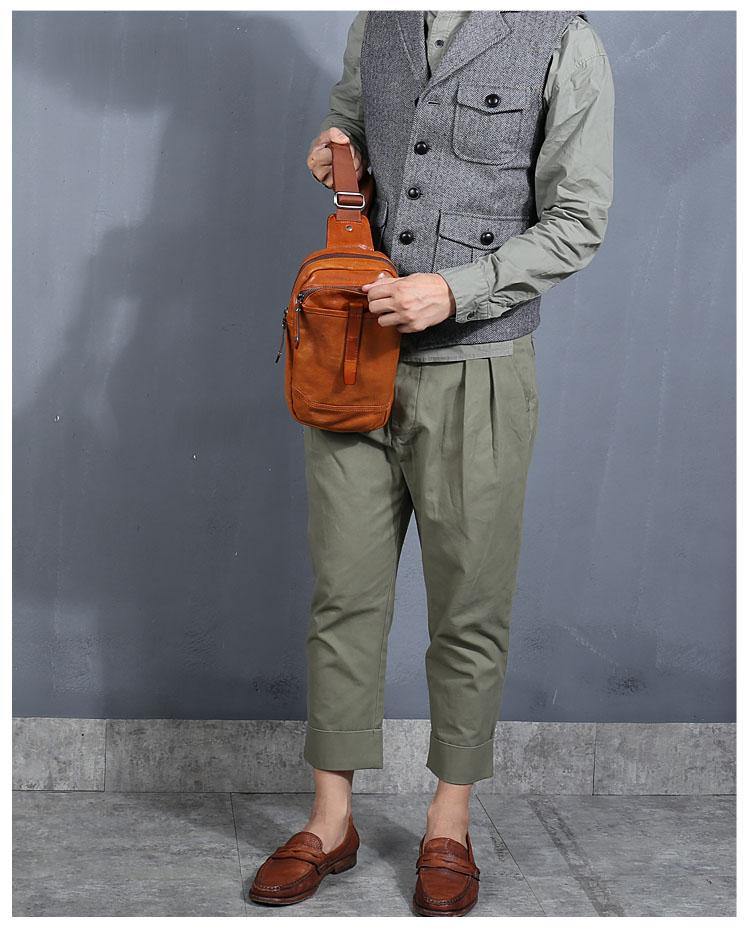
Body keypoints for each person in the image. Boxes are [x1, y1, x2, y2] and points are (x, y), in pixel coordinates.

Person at [250, 9, 614, 916]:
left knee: (469, 607)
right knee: (344, 596)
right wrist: (334, 153)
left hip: (479, 372)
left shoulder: (562, 39)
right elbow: (350, 127)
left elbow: (579, 221)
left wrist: (456, 289)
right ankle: (331, 820)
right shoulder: (376, 23)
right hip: (350, 358)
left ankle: (448, 824)